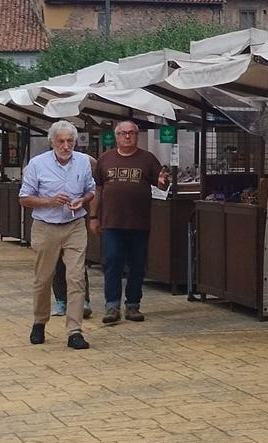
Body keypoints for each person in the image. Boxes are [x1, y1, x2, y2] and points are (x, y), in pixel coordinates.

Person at [20, 119, 95, 349]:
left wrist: (83, 200)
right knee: (43, 278)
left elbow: (91, 189)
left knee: (76, 277)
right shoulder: (37, 164)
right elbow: (24, 198)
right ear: (52, 142)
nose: (66, 145)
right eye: (61, 141)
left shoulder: (83, 162)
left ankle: (74, 330)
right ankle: (39, 321)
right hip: (46, 225)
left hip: (74, 224)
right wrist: (49, 201)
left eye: (70, 141)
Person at [93, 120, 166, 324]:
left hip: (139, 223)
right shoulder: (105, 159)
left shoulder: (148, 159)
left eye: (131, 133)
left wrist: (163, 181)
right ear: (116, 136)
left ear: (137, 135)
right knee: (112, 262)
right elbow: (97, 190)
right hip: (111, 223)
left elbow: (162, 183)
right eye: (123, 133)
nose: (127, 136)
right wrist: (93, 216)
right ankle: (112, 306)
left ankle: (133, 304)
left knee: (137, 266)